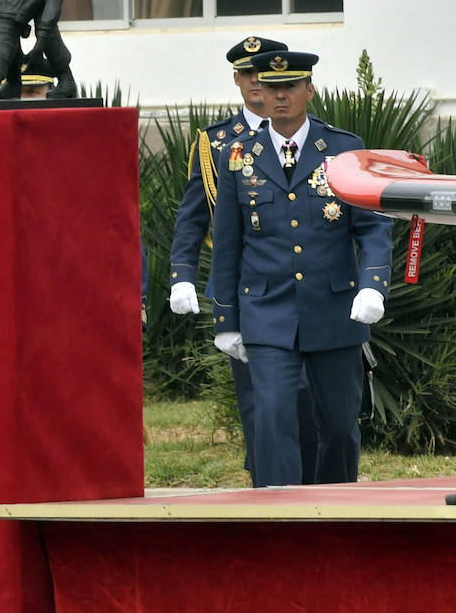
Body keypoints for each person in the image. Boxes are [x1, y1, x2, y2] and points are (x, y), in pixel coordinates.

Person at [208, 50, 393, 487]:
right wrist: (225, 319)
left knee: (340, 426)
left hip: (333, 309)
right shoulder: (238, 156)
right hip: (267, 312)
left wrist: (372, 286)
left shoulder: (344, 150)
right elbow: (228, 242)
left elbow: (371, 226)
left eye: (290, 86)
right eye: (271, 88)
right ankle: (279, 517)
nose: (279, 96)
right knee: (271, 417)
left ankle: (336, 512)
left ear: (309, 90)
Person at [168, 36, 318, 485]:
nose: (259, 83)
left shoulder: (313, 134)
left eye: (268, 76)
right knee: (261, 401)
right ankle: (267, 486)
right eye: (250, 74)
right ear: (237, 79)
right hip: (247, 292)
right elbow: (193, 217)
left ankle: (313, 483)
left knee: (310, 399)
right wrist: (182, 276)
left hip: (308, 290)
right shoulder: (216, 143)